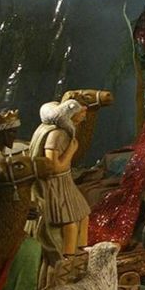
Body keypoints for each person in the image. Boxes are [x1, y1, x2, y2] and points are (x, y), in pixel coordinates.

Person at [28, 99, 91, 261]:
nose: (84, 113)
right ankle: (67, 260)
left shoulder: (65, 132)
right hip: (54, 185)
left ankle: (80, 252)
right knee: (70, 225)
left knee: (84, 215)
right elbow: (53, 167)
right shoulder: (56, 135)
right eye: (79, 112)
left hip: (65, 181)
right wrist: (71, 150)